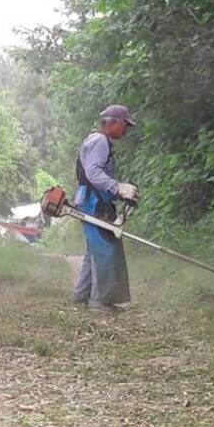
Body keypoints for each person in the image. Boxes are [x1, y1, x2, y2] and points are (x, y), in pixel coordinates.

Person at [72, 104, 139, 312]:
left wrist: (119, 192)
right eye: (124, 125)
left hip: (92, 199)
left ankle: (81, 296)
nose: (125, 130)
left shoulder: (99, 141)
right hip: (93, 202)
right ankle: (99, 302)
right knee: (105, 247)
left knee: (95, 249)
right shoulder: (100, 141)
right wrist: (117, 187)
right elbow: (93, 173)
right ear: (112, 122)